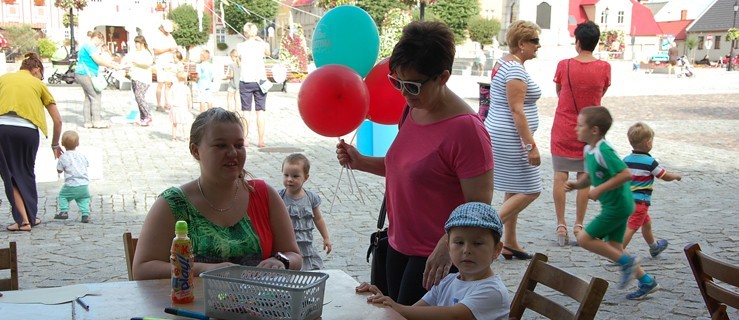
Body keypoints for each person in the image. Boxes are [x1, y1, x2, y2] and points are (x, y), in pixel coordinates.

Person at [336, 21, 494, 305]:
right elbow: (405, 166)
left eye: (412, 86)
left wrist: (446, 245)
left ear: (443, 77)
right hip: (397, 244)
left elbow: (479, 207)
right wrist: (359, 161)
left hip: (434, 257)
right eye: (396, 82)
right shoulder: (412, 109)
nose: (404, 93)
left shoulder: (466, 130)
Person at [132, 108, 302, 280]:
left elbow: (294, 255)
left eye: (238, 145)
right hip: (190, 305)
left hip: (260, 304)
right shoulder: (173, 204)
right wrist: (203, 269)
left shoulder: (264, 195)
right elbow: (142, 269)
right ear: (195, 151)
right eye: (221, 145)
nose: (233, 153)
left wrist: (281, 261)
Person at [565, 106, 660, 300]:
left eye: (580, 125)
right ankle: (647, 282)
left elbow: (625, 174)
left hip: (618, 205)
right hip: (616, 205)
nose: (576, 129)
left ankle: (627, 263)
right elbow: (591, 175)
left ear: (595, 130)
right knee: (615, 247)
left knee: (584, 238)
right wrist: (577, 184)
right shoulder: (589, 150)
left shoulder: (604, 150)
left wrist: (600, 189)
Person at [357, 202, 510, 320]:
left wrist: (395, 306)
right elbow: (413, 311)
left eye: (477, 243)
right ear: (448, 247)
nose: (466, 250)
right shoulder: (447, 281)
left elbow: (453, 316)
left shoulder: (492, 291)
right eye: (459, 243)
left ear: (497, 249)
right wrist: (382, 300)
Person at [483, 20, 542, 260]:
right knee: (531, 190)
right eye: (535, 41)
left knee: (514, 188)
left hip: (500, 133)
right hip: (510, 138)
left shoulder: (504, 63)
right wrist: (531, 146)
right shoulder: (515, 70)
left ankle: (511, 243)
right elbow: (517, 110)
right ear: (521, 44)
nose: (539, 46)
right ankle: (485, 229)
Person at [551, 21, 611, 247]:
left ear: (577, 42)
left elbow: (559, 91)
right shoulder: (604, 67)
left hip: (565, 127)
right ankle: (578, 224)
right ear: (595, 43)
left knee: (560, 175)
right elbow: (602, 92)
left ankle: (560, 224)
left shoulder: (564, 65)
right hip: (591, 130)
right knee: (584, 178)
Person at [0, 53, 63, 231]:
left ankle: (23, 220)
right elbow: (57, 120)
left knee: (10, 175)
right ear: (36, 70)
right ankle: (30, 218)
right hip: (28, 131)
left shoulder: (3, 79)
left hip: (2, 129)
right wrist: (55, 144)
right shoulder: (38, 85)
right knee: (26, 172)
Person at [622, 122, 682, 255]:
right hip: (640, 202)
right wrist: (676, 176)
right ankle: (616, 252)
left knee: (646, 223)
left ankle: (654, 247)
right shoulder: (650, 162)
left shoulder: (626, 160)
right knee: (632, 227)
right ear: (648, 143)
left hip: (627, 200)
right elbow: (664, 176)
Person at [278, 153, 332, 270]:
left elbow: (318, 219)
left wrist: (326, 237)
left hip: (305, 245)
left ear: (306, 177)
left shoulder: (311, 197)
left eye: (295, 176)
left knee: (307, 272)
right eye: (286, 175)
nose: (289, 180)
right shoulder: (279, 197)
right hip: (286, 246)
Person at [74, 30, 122, 129]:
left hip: (81, 73)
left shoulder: (86, 45)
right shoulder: (90, 46)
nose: (99, 45)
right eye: (100, 42)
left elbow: (101, 60)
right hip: (85, 74)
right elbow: (98, 60)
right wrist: (111, 65)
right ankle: (96, 121)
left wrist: (112, 64)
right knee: (96, 96)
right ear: (97, 39)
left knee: (88, 97)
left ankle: (87, 122)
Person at [236, 22, 271, 148]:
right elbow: (268, 53)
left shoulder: (240, 46)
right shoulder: (261, 45)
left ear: (245, 32)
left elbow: (238, 59)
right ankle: (261, 140)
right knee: (260, 110)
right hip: (260, 81)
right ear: (255, 32)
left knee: (246, 111)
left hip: (246, 80)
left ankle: (245, 139)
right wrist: (260, 40)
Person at [54, 130, 91, 223]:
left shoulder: (63, 157)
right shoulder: (81, 155)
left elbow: (59, 170)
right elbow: (87, 164)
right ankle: (85, 215)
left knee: (63, 196)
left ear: (62, 144)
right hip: (84, 185)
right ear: (78, 144)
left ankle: (64, 211)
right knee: (84, 199)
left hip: (71, 184)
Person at [126, 35, 154, 126]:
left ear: (142, 43)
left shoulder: (146, 53)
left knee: (139, 96)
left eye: (137, 43)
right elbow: (128, 59)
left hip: (143, 78)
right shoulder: (134, 52)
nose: (136, 45)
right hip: (134, 77)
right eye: (135, 43)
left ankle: (148, 115)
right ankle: (143, 118)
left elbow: (147, 64)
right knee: (138, 98)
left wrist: (136, 63)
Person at [152, 19, 179, 112]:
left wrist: (174, 51)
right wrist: (168, 49)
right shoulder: (157, 36)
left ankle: (167, 102)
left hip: (170, 61)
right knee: (161, 83)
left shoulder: (170, 36)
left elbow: (175, 46)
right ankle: (159, 104)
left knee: (168, 83)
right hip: (161, 62)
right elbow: (156, 51)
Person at [168, 71, 192, 142]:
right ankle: (185, 137)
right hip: (183, 107)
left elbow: (170, 95)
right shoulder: (186, 88)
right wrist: (189, 106)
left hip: (174, 106)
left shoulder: (173, 86)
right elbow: (188, 99)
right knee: (184, 123)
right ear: (185, 79)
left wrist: (170, 103)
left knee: (174, 123)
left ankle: (174, 137)